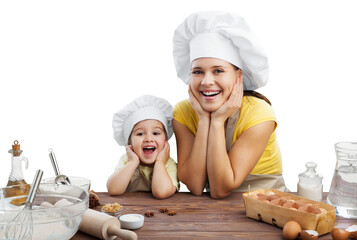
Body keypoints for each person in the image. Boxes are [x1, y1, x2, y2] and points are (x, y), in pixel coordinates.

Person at [172, 11, 286, 199]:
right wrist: (203, 119)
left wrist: (216, 122)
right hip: (214, 214)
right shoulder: (183, 112)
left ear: (238, 77)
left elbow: (220, 190)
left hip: (268, 206)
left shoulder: (259, 114)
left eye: (218, 70)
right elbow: (195, 185)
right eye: (198, 71)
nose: (206, 81)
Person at [107, 95, 179, 199]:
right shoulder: (127, 161)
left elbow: (161, 192)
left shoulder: (168, 163)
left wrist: (159, 162)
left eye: (156, 133)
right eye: (140, 134)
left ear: (166, 140)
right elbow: (113, 190)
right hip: (131, 212)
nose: (149, 138)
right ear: (129, 142)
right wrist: (133, 162)